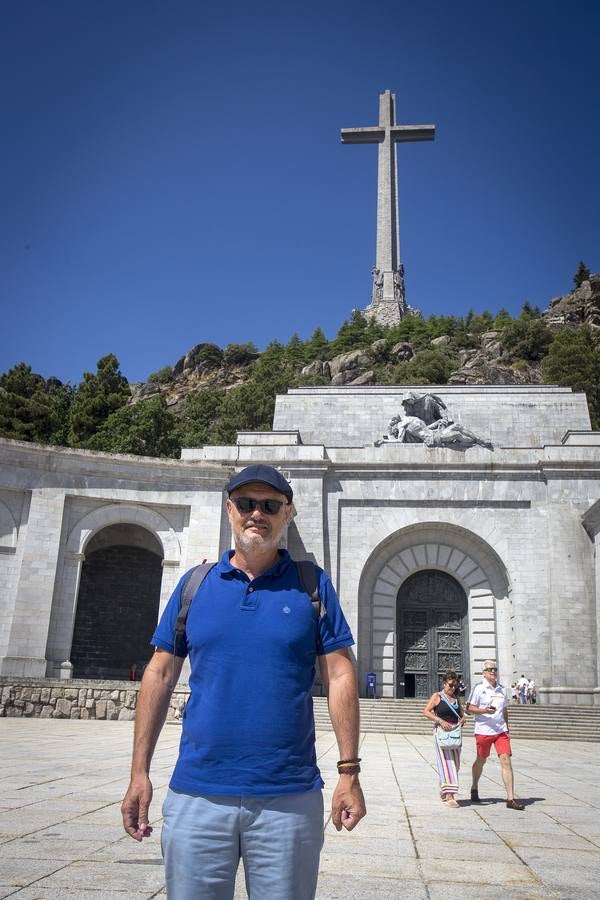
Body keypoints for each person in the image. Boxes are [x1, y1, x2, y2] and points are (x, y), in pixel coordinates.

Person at [120, 464, 366, 900]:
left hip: (288, 798)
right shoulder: (194, 584)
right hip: (197, 794)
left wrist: (348, 772)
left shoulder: (313, 586)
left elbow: (341, 672)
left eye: (270, 505)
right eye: (247, 503)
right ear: (229, 509)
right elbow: (159, 673)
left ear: (287, 513)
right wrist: (139, 772)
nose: (258, 513)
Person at [467, 660, 524, 810]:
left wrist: (507, 728)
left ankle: (510, 798)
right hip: (483, 730)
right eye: (490, 669)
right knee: (481, 760)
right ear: (484, 673)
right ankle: (474, 787)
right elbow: (469, 708)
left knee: (506, 760)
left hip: (501, 731)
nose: (493, 671)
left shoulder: (502, 689)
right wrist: (484, 710)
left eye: (495, 669)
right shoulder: (479, 689)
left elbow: (504, 710)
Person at [423, 669, 465, 807]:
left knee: (456, 764)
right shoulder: (437, 696)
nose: (452, 688)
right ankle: (450, 796)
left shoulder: (457, 699)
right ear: (444, 684)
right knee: (448, 763)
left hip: (454, 733)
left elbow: (461, 715)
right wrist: (440, 721)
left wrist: (462, 720)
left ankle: (443, 786)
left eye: (455, 685)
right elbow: (426, 712)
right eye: (450, 685)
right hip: (441, 733)